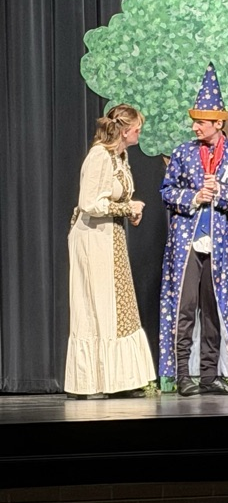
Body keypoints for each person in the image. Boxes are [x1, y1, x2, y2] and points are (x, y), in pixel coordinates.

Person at [159, 64, 228, 396]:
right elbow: (166, 192)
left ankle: (210, 375)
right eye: (195, 121)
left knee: (215, 310)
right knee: (184, 308)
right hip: (187, 243)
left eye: (201, 122)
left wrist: (221, 192)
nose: (195, 127)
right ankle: (183, 375)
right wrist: (194, 197)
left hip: (221, 246)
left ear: (218, 123)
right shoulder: (183, 154)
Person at [65, 104, 155, 398]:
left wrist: (130, 211)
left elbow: (116, 198)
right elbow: (89, 203)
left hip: (110, 236)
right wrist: (127, 208)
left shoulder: (120, 157)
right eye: (137, 128)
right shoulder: (99, 156)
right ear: (125, 131)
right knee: (97, 305)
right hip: (92, 239)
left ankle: (119, 381)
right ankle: (91, 382)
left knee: (118, 307)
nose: (140, 132)